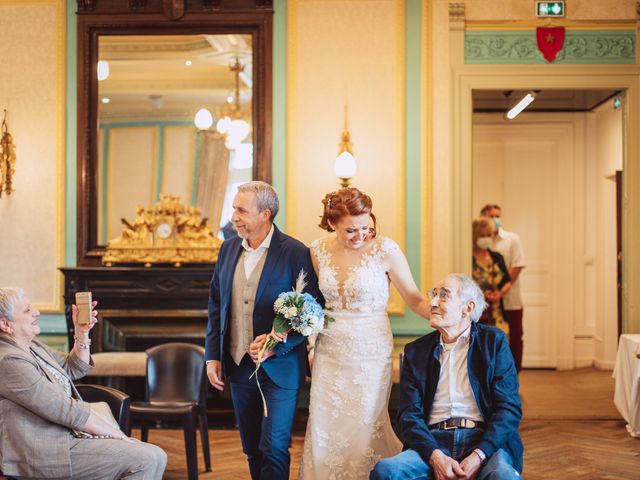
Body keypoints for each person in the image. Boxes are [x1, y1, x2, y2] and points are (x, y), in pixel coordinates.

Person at [299, 187, 430, 480]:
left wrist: (446, 315)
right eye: (351, 231)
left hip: (370, 353)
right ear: (332, 224)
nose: (360, 236)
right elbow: (313, 306)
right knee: (325, 424)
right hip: (329, 351)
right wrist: (309, 346)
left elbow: (414, 298)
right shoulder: (317, 250)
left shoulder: (386, 250)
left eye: (366, 228)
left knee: (365, 423)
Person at [205, 181, 323, 480]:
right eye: (234, 208)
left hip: (281, 369)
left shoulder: (296, 252)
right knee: (252, 448)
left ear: (265, 214)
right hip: (239, 365)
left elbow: (313, 311)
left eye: (241, 210)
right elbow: (216, 305)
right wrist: (212, 357)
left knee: (274, 447)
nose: (234, 216)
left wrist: (276, 344)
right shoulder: (227, 248)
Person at [0, 287, 167, 479]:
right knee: (149, 458)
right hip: (44, 451)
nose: (36, 312)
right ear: (5, 324)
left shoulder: (32, 346)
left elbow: (72, 368)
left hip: (67, 436)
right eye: (27, 310)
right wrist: (118, 435)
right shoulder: (8, 361)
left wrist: (82, 332)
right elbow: (62, 408)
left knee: (155, 457)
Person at [370, 273, 523, 480]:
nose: (432, 302)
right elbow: (408, 415)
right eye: (433, 294)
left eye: (443, 296)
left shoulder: (492, 342)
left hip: (483, 442)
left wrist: (478, 456)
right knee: (386, 472)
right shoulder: (416, 351)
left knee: (504, 477)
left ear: (467, 308)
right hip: (432, 442)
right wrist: (436, 457)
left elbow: (509, 408)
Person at [480, 204, 526, 372]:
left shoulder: (511, 239)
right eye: (491, 216)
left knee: (514, 338)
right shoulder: (479, 240)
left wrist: (502, 291)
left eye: (498, 216)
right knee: (487, 340)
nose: (495, 220)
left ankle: (513, 378)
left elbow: (517, 265)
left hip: (510, 299)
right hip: (485, 301)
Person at [472, 217, 511, 339]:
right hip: (475, 312)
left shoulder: (497, 257)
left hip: (496, 311)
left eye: (488, 235)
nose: (485, 238)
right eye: (481, 235)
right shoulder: (467, 258)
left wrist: (499, 294)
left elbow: (507, 281)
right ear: (474, 237)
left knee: (497, 344)